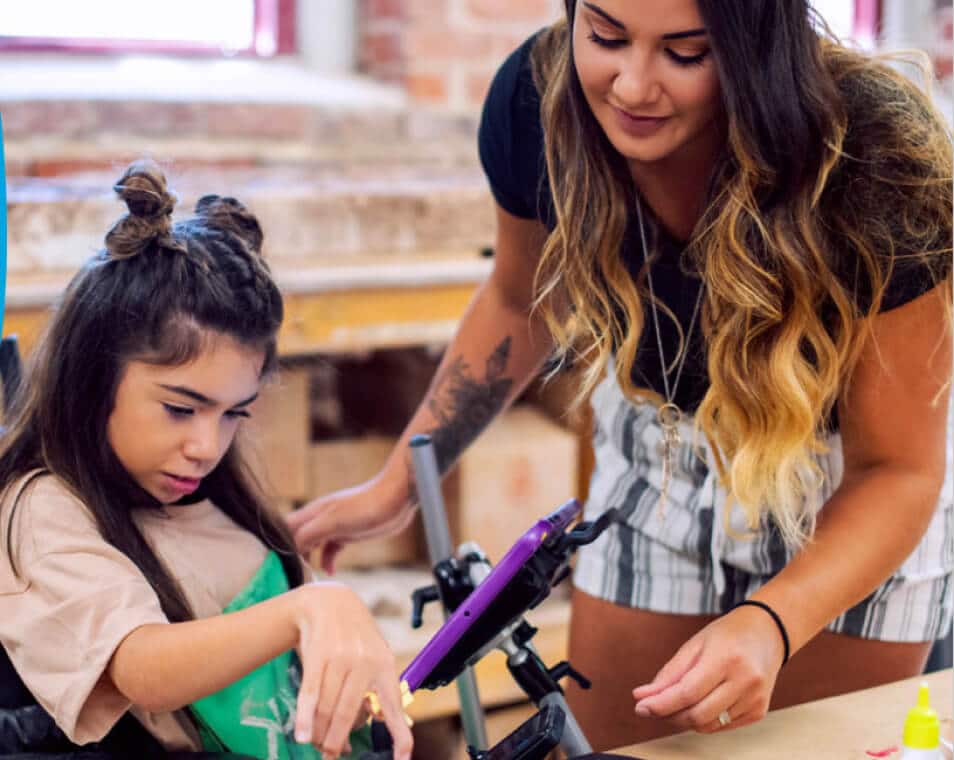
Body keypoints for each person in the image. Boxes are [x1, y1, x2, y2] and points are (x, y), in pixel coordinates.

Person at [288, 0, 953, 751]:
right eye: (604, 36)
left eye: (685, 52)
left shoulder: (876, 150)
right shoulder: (536, 99)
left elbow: (897, 469)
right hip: (660, 451)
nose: (633, 87)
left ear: (754, 48)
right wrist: (399, 485)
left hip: (842, 484)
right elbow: (519, 299)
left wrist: (773, 621)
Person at [0, 160, 413, 760]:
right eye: (180, 409)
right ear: (93, 378)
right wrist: (311, 607)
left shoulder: (200, 492)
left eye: (233, 414)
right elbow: (141, 666)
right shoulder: (41, 508)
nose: (208, 447)